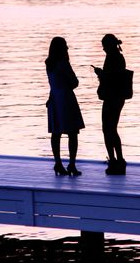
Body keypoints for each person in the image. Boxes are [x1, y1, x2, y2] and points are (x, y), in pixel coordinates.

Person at [45, 37, 85, 176]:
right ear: (61, 48)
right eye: (66, 46)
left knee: (56, 133)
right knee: (73, 133)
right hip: (66, 99)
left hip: (54, 98)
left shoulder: (49, 64)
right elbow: (74, 82)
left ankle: (58, 163)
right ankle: (72, 164)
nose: (68, 48)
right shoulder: (63, 63)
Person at [93, 34, 128, 175]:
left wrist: (100, 74)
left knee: (108, 129)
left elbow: (111, 79)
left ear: (109, 45)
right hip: (116, 97)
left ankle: (115, 161)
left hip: (112, 97)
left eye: (104, 46)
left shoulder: (114, 58)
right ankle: (117, 160)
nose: (103, 49)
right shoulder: (117, 57)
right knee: (110, 129)